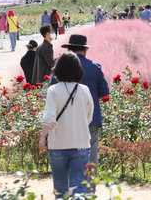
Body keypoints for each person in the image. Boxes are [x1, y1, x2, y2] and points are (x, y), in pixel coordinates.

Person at [39, 53, 94, 198]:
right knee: (79, 188)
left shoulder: (53, 90)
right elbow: (88, 117)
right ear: (78, 70)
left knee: (60, 189)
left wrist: (43, 137)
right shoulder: (84, 90)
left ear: (58, 70)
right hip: (81, 143)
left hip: (58, 144)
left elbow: (49, 118)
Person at [60, 34, 109, 192]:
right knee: (90, 158)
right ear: (85, 50)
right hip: (90, 119)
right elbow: (104, 92)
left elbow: (53, 92)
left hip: (66, 121)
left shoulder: (59, 69)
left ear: (68, 50)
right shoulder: (94, 67)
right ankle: (88, 193)